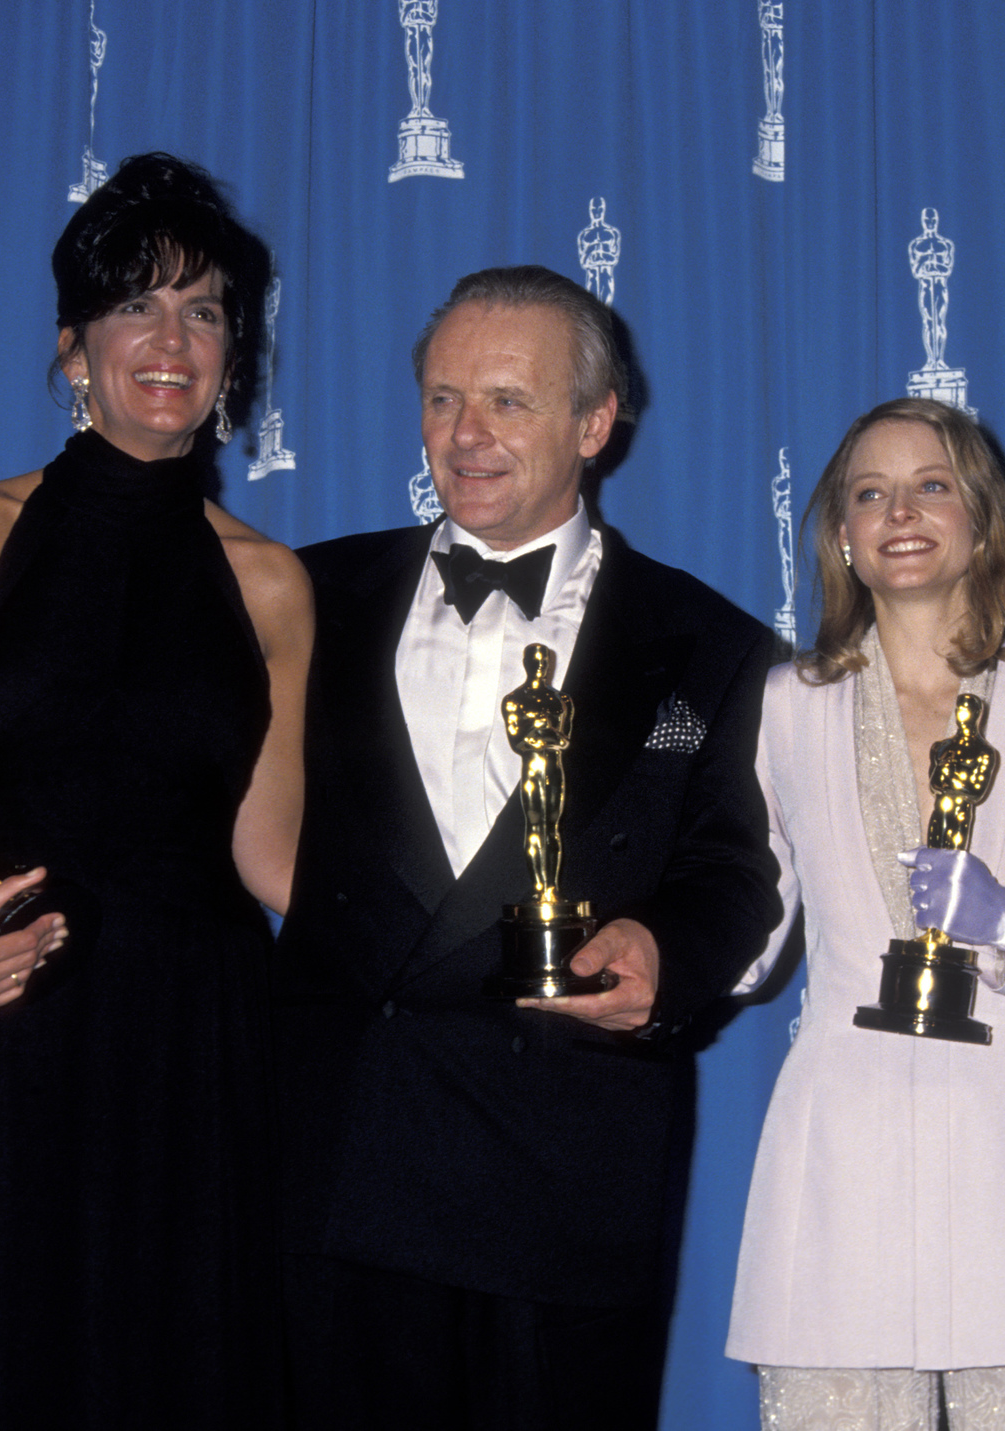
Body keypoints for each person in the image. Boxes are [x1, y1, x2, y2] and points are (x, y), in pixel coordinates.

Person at [273, 265, 781, 1429]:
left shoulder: (706, 647)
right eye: (444, 399)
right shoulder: (306, 594)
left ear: (594, 425)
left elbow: (734, 868)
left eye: (508, 400)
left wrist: (664, 950)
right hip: (335, 1155)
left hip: (564, 1161)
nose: (467, 434)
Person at [0, 153, 310, 1428]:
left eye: (205, 309)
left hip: (197, 1042)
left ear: (234, 351)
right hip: (6, 1013)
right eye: (136, 306)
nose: (172, 339)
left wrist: (467, 927)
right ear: (73, 344)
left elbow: (275, 855)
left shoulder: (271, 583)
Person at [728, 397, 1005, 1430]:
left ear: (981, 515)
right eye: (868, 493)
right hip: (838, 1167)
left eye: (930, 484)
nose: (899, 510)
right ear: (839, 532)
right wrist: (642, 936)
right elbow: (745, 923)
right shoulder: (781, 706)